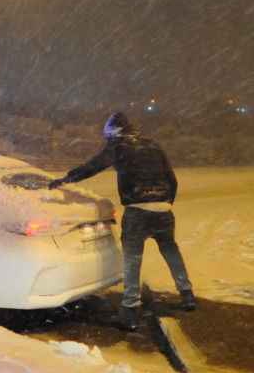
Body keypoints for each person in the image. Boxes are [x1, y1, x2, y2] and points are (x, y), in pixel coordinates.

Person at [48, 112, 196, 330]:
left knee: (132, 259)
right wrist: (165, 202)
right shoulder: (153, 146)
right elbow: (171, 178)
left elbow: (95, 165)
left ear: (113, 131)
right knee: (170, 250)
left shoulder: (119, 144)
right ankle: (187, 295)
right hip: (164, 209)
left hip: (137, 211)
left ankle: (129, 311)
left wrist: (68, 178)